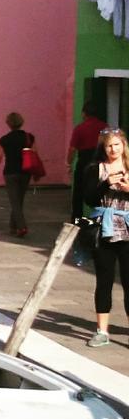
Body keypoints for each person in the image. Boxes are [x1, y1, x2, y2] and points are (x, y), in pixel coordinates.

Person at [83, 127, 129, 348]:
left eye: (117, 144)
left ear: (123, 145)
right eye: (109, 145)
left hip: (128, 229)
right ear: (103, 147)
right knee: (104, 281)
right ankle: (102, 331)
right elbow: (89, 198)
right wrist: (106, 184)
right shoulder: (96, 168)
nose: (113, 149)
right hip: (104, 230)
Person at [0, 111, 35, 237]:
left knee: (14, 200)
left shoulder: (4, 140)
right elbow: (34, 153)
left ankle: (21, 227)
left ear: (8, 124)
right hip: (25, 171)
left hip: (10, 172)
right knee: (19, 199)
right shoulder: (29, 137)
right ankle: (13, 226)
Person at [68, 101, 106, 221]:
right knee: (101, 189)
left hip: (84, 160)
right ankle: (101, 216)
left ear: (84, 113)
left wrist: (69, 163)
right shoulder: (104, 127)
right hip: (100, 160)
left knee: (78, 191)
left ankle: (76, 218)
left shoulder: (80, 128)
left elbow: (73, 149)